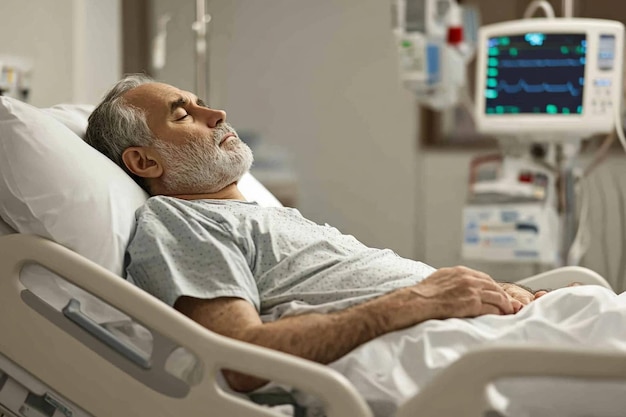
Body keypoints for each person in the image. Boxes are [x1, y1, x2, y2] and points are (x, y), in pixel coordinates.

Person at [85, 74, 549, 393]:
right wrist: (420, 301)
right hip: (457, 358)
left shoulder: (265, 215)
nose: (217, 113)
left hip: (498, 330)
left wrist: (502, 294)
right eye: (183, 114)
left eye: (201, 102)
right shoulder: (181, 222)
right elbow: (238, 359)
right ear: (145, 162)